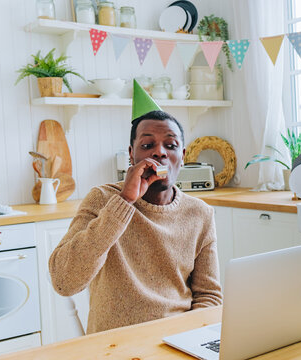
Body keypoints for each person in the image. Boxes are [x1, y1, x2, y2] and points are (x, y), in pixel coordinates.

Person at [49, 81, 222, 334]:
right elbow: (64, 281)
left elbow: (209, 296)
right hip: (116, 343)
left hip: (179, 338)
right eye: (147, 145)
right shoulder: (102, 199)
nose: (160, 152)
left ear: (182, 157)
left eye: (170, 145)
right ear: (132, 155)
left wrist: (192, 337)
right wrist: (124, 201)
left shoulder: (200, 214)